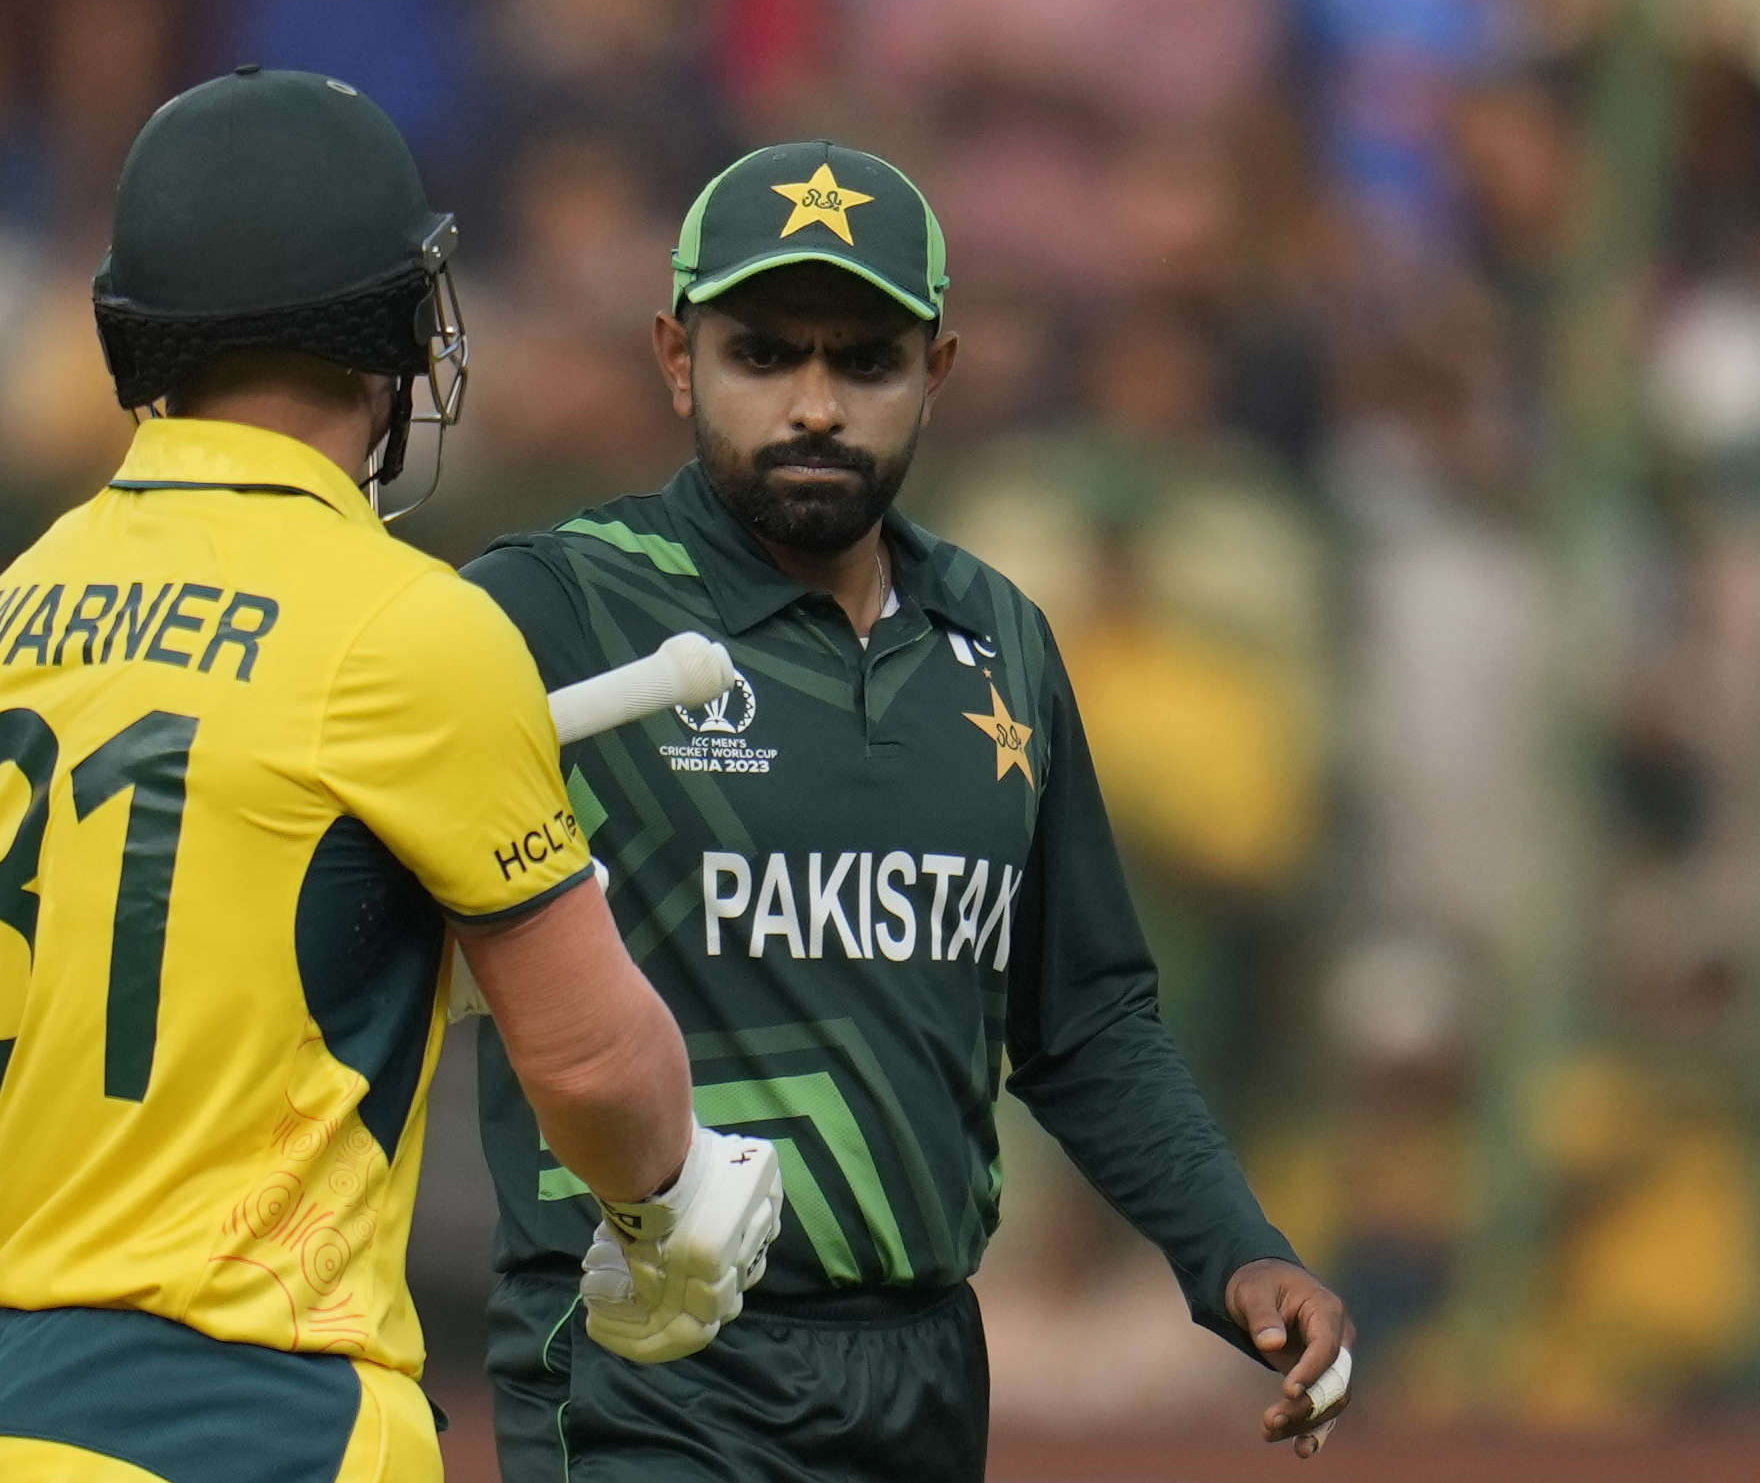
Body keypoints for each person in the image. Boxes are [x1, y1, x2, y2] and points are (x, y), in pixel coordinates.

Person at [0, 69, 778, 1483]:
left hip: (9, 1405)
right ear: (388, 336)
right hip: (268, 1413)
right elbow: (595, 1064)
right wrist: (680, 1192)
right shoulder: (407, 622)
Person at [461, 140, 1355, 1482]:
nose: (815, 403)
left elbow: (1085, 1014)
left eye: (865, 361)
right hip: (647, 1373)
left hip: (924, 1376)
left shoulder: (1001, 638)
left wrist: (1233, 1245)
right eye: (764, 354)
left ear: (937, 370)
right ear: (673, 356)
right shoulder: (555, 609)